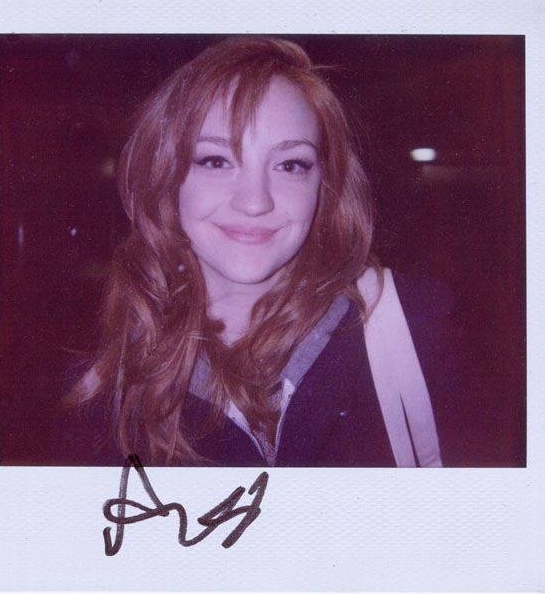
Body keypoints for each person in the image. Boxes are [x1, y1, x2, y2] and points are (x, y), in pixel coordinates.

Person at [63, 37, 464, 468]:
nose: (255, 202)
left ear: (324, 188)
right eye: (215, 161)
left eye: (290, 165)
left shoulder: (423, 339)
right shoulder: (102, 398)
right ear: (164, 176)